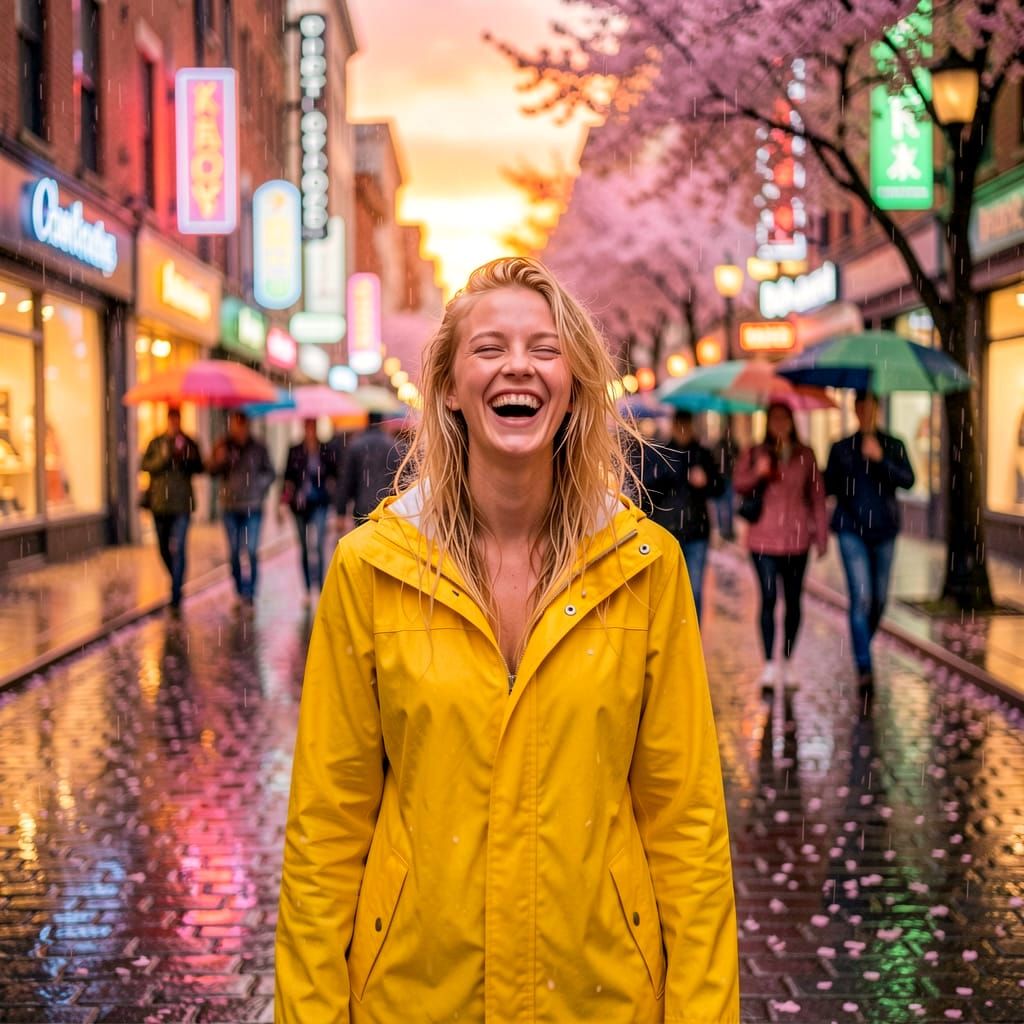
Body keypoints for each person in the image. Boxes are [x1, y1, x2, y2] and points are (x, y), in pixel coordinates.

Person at [275, 257, 739, 1022]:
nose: (517, 366)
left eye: (544, 348)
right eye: (489, 348)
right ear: (450, 387)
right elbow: (326, 829)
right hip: (414, 1000)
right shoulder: (369, 570)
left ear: (576, 385)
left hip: (603, 999)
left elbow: (686, 827)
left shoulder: (647, 570)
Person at [824, 390, 915, 705]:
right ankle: (864, 666)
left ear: (877, 409)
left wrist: (881, 461)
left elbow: (908, 480)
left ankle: (862, 642)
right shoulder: (841, 447)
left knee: (878, 599)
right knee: (860, 598)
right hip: (851, 531)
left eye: (870, 406)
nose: (865, 412)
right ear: (855, 410)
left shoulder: (893, 444)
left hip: (884, 531)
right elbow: (828, 486)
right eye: (860, 407)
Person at [733, 401, 827, 691]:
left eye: (784, 418)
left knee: (794, 602)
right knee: (769, 598)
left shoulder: (805, 454)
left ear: (791, 421)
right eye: (774, 418)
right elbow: (738, 484)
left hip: (797, 540)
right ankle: (769, 666)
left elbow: (817, 497)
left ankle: (787, 660)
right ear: (767, 422)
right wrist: (758, 473)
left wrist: (821, 535)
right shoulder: (755, 452)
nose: (779, 423)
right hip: (762, 539)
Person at [642, 409, 724, 622]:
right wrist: (668, 473)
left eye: (686, 424)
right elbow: (647, 490)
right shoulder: (661, 453)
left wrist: (706, 481)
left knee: (694, 590)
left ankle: (693, 639)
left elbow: (719, 488)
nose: (682, 429)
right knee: (666, 591)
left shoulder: (702, 454)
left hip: (697, 531)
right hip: (667, 532)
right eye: (678, 424)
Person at [208, 410, 275, 606]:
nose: (239, 428)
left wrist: (257, 486)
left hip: (252, 506)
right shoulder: (223, 445)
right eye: (235, 423)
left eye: (242, 423)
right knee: (234, 552)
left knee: (252, 551)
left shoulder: (258, 447)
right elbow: (210, 470)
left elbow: (270, 473)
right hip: (230, 507)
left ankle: (251, 593)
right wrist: (218, 459)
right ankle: (239, 591)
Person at [140, 407, 204, 611]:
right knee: (163, 548)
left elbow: (199, 467)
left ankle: (176, 593)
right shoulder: (156, 442)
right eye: (172, 420)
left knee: (180, 548)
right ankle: (175, 579)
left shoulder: (189, 442)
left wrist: (184, 455)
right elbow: (145, 465)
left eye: (177, 420)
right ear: (168, 421)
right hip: (159, 505)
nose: (174, 424)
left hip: (181, 505)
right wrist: (165, 457)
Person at [281, 418, 339, 602]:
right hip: (299, 506)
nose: (310, 431)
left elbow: (335, 473)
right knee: (304, 547)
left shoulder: (325, 449)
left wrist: (331, 486)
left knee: (319, 545)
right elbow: (287, 477)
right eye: (307, 427)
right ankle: (307, 587)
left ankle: (320, 587)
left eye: (313, 427)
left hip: (320, 503)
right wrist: (281, 502)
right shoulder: (295, 450)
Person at [334, 410, 403, 529]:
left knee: (363, 544)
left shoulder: (356, 445)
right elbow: (400, 479)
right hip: (386, 507)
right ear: (382, 422)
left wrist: (341, 512)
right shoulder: (392, 445)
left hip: (362, 507)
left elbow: (346, 481)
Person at [712, 429, 740, 542]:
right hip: (720, 479)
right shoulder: (719, 445)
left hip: (729, 478)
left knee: (729, 505)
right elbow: (715, 460)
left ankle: (728, 530)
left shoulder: (733, 445)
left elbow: (738, 458)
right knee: (721, 505)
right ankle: (723, 530)